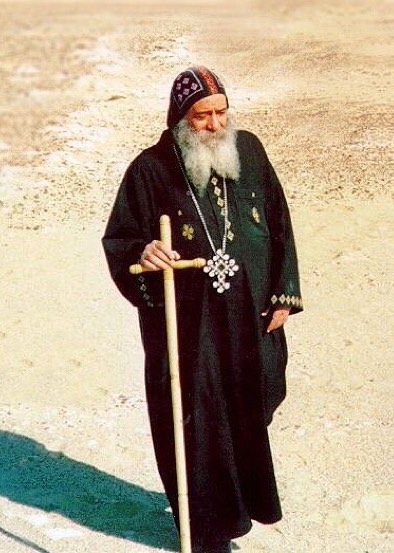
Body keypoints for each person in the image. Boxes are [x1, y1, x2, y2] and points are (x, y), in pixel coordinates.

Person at [102, 66, 302, 553]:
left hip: (251, 312)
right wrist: (143, 253)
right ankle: (207, 532)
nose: (214, 125)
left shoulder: (248, 150)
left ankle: (241, 505)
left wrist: (284, 292)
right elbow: (121, 239)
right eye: (201, 116)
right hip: (191, 327)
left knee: (258, 399)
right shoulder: (151, 169)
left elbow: (278, 218)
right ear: (179, 119)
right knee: (197, 419)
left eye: (220, 113)